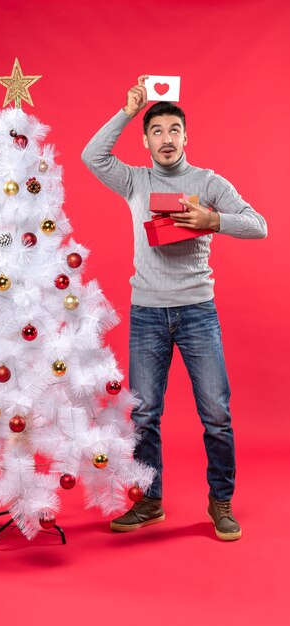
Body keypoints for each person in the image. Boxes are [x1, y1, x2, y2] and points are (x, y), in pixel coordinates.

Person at [81, 76, 267, 541]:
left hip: (198, 312)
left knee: (216, 414)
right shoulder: (135, 180)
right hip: (147, 313)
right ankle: (150, 500)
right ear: (146, 141)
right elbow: (92, 157)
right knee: (144, 414)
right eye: (157, 131)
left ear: (186, 137)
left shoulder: (208, 183)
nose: (167, 139)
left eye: (174, 131)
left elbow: (259, 226)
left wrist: (214, 220)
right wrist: (127, 111)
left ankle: (220, 501)